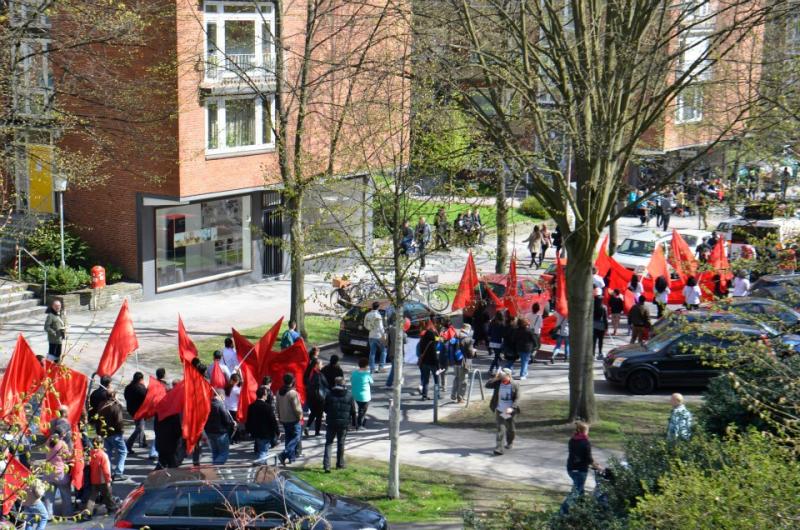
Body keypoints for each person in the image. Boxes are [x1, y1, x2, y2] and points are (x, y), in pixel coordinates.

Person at [560, 422, 599, 515]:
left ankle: (581, 512)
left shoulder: (572, 440)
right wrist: (597, 466)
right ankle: (564, 510)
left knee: (580, 491)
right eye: (588, 430)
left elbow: (577, 454)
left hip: (571, 469)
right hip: (580, 470)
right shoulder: (585, 442)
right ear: (585, 431)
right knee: (577, 491)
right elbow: (588, 458)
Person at [323, 377, 356, 472]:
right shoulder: (349, 395)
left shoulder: (329, 394)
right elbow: (353, 411)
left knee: (329, 443)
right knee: (341, 443)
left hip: (331, 422)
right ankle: (340, 463)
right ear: (344, 384)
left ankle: (327, 465)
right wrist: (354, 423)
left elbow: (325, 408)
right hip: (343, 423)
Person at [93, 393, 128, 481]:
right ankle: (118, 472)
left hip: (104, 433)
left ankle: (108, 471)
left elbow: (98, 419)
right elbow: (119, 421)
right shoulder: (115, 406)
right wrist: (121, 431)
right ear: (114, 396)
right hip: (115, 433)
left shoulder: (101, 405)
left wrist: (99, 432)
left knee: (108, 453)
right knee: (123, 452)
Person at [486, 368, 519, 455]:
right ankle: (499, 448)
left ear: (508, 376)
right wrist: (496, 378)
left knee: (511, 429)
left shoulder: (515, 384)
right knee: (501, 429)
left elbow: (517, 398)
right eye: (501, 376)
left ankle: (510, 442)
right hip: (500, 410)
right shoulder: (498, 382)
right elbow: (487, 385)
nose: (501, 377)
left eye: (503, 375)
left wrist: (512, 407)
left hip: (510, 411)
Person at [83, 438, 118, 519]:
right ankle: (112, 508)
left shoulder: (91, 453)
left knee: (92, 497)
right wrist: (108, 480)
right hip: (103, 480)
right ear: (101, 444)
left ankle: (87, 513)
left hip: (94, 479)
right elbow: (106, 470)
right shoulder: (103, 455)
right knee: (108, 495)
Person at [245, 385, 280, 464]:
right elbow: (273, 421)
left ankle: (262, 464)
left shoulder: (251, 406)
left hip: (256, 432)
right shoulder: (268, 407)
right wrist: (277, 431)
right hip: (265, 433)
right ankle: (261, 465)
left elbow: (248, 420)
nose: (267, 396)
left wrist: (248, 430)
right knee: (263, 451)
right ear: (264, 395)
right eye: (266, 394)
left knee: (261, 449)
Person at [42, 433, 72, 518]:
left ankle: (48, 515)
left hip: (48, 473)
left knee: (48, 496)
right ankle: (67, 513)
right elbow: (68, 457)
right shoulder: (62, 444)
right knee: (66, 495)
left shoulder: (48, 442)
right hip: (60, 474)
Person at [277, 373, 303, 466]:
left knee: (288, 437)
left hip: (284, 418)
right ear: (292, 381)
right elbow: (297, 407)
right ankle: (284, 454)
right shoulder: (292, 393)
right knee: (296, 437)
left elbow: (277, 406)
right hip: (293, 419)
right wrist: (300, 416)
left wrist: (280, 416)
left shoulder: (279, 391)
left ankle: (291, 458)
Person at [205, 389, 234, 464]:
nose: (224, 399)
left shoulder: (207, 405)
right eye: (224, 397)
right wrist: (232, 423)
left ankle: (217, 472)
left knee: (215, 453)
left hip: (210, 432)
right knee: (224, 453)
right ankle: (215, 466)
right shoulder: (220, 405)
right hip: (220, 433)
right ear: (221, 396)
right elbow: (226, 420)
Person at [451, 324, 476, 402]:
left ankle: (453, 394)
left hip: (455, 361)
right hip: (464, 362)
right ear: (468, 330)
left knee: (456, 378)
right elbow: (470, 353)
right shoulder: (468, 339)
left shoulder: (455, 336)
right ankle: (460, 397)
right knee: (463, 380)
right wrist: (474, 352)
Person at [124, 372, 148, 453]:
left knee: (140, 424)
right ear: (141, 379)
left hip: (131, 410)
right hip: (139, 411)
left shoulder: (128, 387)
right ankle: (128, 445)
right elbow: (146, 397)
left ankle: (143, 441)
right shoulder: (141, 388)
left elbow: (125, 396)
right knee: (139, 428)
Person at [303, 357, 326, 437]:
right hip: (318, 398)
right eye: (321, 364)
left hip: (310, 397)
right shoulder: (318, 375)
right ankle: (317, 432)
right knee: (319, 415)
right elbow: (324, 384)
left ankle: (307, 427)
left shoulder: (309, 372)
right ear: (316, 365)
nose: (322, 365)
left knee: (313, 413)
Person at [363, 301, 387, 373]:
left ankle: (372, 368)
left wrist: (370, 329)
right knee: (384, 351)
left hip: (371, 335)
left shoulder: (368, 314)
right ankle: (381, 367)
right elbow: (380, 327)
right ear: (378, 307)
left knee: (372, 353)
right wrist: (384, 335)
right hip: (378, 336)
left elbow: (365, 325)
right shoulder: (378, 316)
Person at [417, 328, 441, 400]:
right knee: (436, 380)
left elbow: (420, 353)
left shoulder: (422, 341)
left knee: (425, 380)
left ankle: (424, 395)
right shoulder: (432, 343)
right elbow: (434, 356)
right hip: (433, 364)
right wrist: (438, 365)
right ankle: (437, 395)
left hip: (424, 364)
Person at [350, 357, 374, 429]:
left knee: (360, 408)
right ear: (366, 366)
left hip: (355, 394)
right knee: (362, 410)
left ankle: (358, 421)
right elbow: (372, 383)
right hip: (364, 397)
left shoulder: (354, 373)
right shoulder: (367, 374)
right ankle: (360, 425)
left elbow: (351, 380)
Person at [224, 373, 242, 441]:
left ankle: (230, 438)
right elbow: (242, 394)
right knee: (235, 425)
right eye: (237, 381)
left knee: (229, 425)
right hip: (234, 409)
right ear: (235, 381)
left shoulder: (226, 387)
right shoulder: (236, 389)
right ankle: (235, 438)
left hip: (227, 408)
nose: (238, 383)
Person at [592, 289, 609, 360]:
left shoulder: (592, 307)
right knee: (601, 340)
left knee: (593, 340)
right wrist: (606, 327)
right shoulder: (604, 307)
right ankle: (600, 352)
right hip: (601, 325)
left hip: (593, 325)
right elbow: (605, 318)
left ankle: (592, 354)